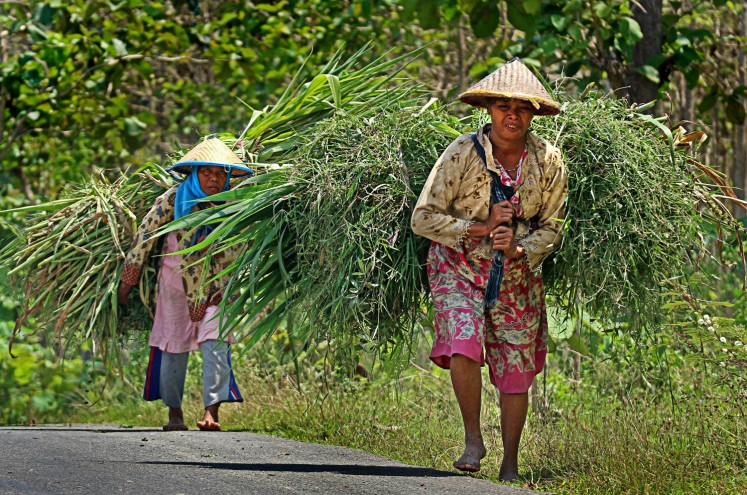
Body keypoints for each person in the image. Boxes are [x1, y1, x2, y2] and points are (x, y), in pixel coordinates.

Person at [411, 58, 567, 480]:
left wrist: (519, 248)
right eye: (503, 106)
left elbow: (554, 226)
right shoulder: (462, 152)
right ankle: (472, 438)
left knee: (516, 370)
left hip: (517, 276)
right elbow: (423, 218)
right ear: (489, 110)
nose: (511, 115)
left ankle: (511, 463)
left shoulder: (548, 160)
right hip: (457, 267)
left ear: (534, 114)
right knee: (462, 341)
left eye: (522, 108)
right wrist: (479, 228)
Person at [117, 136, 253, 431]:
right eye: (207, 172)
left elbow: (246, 244)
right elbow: (145, 235)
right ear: (193, 172)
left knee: (216, 345)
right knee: (173, 347)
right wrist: (129, 279)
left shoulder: (237, 204)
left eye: (220, 173)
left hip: (219, 288)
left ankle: (211, 413)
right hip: (175, 288)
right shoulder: (173, 198)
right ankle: (174, 414)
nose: (215, 179)